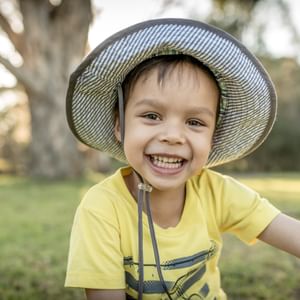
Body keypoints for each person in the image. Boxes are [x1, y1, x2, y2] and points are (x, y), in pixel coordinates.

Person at [64, 18, 300, 300]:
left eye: (195, 122)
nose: (173, 136)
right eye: (152, 116)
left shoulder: (218, 192)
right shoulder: (101, 210)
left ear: (213, 137)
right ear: (119, 125)